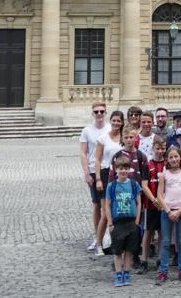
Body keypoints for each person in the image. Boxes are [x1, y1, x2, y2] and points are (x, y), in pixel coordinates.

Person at [156, 146, 181, 284]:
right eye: (171, 157)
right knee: (166, 242)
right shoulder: (163, 175)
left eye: (176, 156)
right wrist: (169, 211)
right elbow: (159, 195)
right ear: (167, 159)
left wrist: (180, 210)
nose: (174, 159)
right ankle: (163, 271)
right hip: (167, 212)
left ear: (180, 158)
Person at [104, 155, 143, 287]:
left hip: (131, 222)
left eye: (126, 168)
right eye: (120, 168)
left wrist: (137, 221)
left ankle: (126, 272)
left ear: (129, 169)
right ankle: (118, 273)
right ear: (116, 170)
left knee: (129, 250)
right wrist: (110, 223)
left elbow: (139, 203)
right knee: (117, 250)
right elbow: (107, 205)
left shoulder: (134, 184)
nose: (123, 171)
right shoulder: (112, 186)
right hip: (117, 222)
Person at [79, 101, 110, 252]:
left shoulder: (110, 128)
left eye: (101, 111)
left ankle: (107, 237)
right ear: (93, 113)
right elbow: (83, 153)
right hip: (93, 170)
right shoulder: (87, 131)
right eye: (96, 111)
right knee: (97, 205)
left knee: (108, 206)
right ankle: (98, 237)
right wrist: (86, 173)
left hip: (108, 170)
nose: (99, 114)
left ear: (105, 113)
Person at [94, 110, 125, 256]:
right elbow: (98, 160)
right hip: (107, 174)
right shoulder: (103, 138)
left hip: (122, 175)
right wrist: (99, 179)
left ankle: (116, 242)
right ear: (110, 121)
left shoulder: (124, 138)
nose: (116, 123)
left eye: (119, 121)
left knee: (119, 210)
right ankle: (99, 244)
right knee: (106, 213)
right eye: (114, 120)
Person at [140, 135, 167, 272]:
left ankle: (160, 259)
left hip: (164, 205)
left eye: (163, 148)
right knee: (148, 232)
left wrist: (162, 201)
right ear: (153, 148)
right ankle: (144, 260)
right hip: (150, 205)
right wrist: (153, 199)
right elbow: (144, 185)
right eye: (158, 148)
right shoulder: (147, 165)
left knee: (162, 232)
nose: (160, 151)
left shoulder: (167, 164)